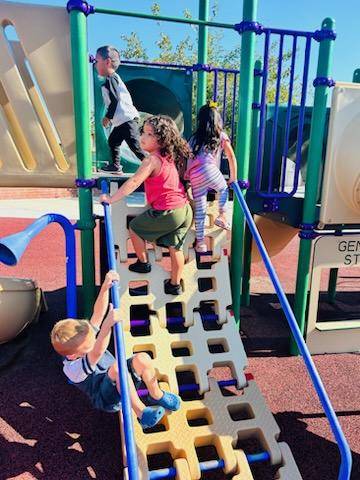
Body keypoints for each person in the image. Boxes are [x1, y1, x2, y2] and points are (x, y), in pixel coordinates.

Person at [50, 270, 180, 430]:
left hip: (118, 377)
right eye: (89, 343)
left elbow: (97, 314)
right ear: (74, 354)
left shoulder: (84, 338)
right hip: (105, 397)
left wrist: (105, 287)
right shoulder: (72, 369)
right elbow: (97, 352)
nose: (93, 338)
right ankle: (141, 414)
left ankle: (156, 395)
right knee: (118, 368)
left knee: (142, 359)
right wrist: (107, 326)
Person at [100, 115, 193, 296]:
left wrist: (112, 199)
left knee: (134, 227)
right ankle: (174, 284)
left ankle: (143, 262)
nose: (143, 137)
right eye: (143, 132)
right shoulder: (170, 157)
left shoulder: (151, 160)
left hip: (168, 211)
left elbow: (134, 181)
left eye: (149, 134)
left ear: (161, 139)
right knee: (176, 248)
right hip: (184, 209)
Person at [185, 102, 238, 253]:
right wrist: (233, 178)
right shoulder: (220, 136)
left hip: (195, 175)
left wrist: (186, 178)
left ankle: (200, 243)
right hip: (209, 169)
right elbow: (231, 157)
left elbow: (187, 156)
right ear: (217, 120)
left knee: (200, 210)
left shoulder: (194, 138)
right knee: (223, 188)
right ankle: (222, 215)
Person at [95, 46, 146, 174]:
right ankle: (116, 166)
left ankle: (151, 165)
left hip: (127, 119)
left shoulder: (112, 78)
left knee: (135, 146)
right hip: (122, 120)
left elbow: (115, 99)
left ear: (107, 62)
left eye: (97, 61)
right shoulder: (110, 79)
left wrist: (108, 117)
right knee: (113, 141)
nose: (95, 64)